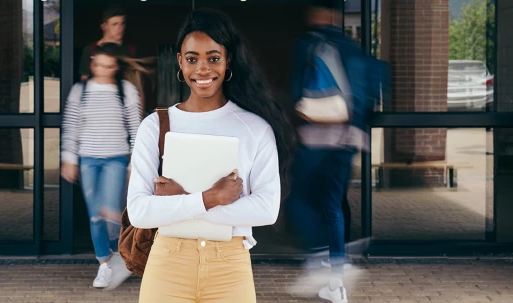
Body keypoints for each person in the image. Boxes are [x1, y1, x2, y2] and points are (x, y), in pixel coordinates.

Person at [126, 8, 295, 303]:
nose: (202, 69)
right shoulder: (154, 126)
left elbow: (267, 209)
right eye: (192, 59)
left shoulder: (254, 127)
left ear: (228, 60)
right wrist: (210, 198)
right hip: (168, 263)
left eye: (213, 58)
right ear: (180, 61)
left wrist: (182, 202)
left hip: (229, 266)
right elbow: (140, 210)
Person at [287, 0, 386, 302]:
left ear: (317, 13)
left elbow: (296, 91)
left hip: (318, 137)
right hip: (349, 139)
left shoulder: (309, 44)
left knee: (298, 199)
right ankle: (337, 281)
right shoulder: (352, 47)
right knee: (332, 204)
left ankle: (319, 259)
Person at [61, 43, 145, 289]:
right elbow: (71, 125)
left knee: (109, 209)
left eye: (109, 66)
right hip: (88, 159)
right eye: (99, 65)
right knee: (95, 214)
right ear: (92, 64)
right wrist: (69, 158)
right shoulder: (81, 90)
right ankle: (104, 265)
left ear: (116, 66)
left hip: (115, 159)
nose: (103, 70)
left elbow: (136, 128)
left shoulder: (125, 90)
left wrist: (134, 163)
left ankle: (121, 254)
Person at [78, 8, 135, 81]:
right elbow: (84, 80)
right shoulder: (91, 49)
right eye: (115, 24)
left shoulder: (131, 50)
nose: (120, 28)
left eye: (122, 23)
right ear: (104, 26)